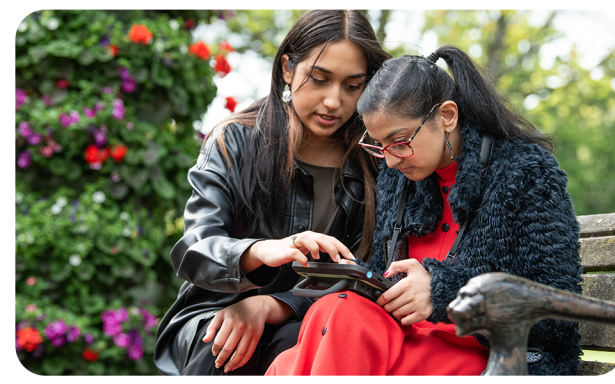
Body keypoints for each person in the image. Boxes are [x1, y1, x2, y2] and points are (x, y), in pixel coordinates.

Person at [266, 46, 583, 376]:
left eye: (400, 141)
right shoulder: (400, 177)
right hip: (409, 337)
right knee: (326, 318)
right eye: (379, 145)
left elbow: (557, 315)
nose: (389, 160)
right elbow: (386, 275)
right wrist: (350, 273)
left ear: (447, 116)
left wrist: (443, 292)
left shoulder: (526, 173)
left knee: (316, 347)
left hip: (490, 353)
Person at [153, 9, 392, 376]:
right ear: (286, 68)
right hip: (215, 310)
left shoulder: (375, 164)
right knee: (230, 340)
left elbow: (366, 275)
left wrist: (273, 305)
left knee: (297, 341)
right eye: (319, 79)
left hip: (313, 317)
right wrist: (259, 251)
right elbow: (194, 251)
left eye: (352, 86)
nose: (333, 101)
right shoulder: (234, 140)